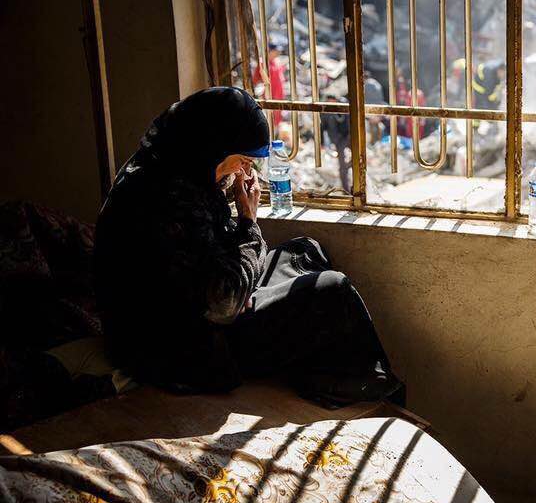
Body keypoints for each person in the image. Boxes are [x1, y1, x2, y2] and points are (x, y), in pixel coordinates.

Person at [95, 87, 403, 406]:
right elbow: (223, 304)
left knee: (304, 251)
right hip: (182, 347)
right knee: (332, 289)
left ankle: (329, 376)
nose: (244, 171)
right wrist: (247, 221)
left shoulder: (179, 164)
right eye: (242, 160)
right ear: (215, 147)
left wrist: (238, 276)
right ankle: (374, 388)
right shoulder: (165, 197)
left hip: (211, 303)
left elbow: (215, 262)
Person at [252, 41, 286, 127]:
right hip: (268, 95)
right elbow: (255, 80)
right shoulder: (262, 62)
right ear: (270, 51)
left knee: (277, 118)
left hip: (278, 95)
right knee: (268, 119)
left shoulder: (277, 61)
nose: (278, 53)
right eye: (276, 51)